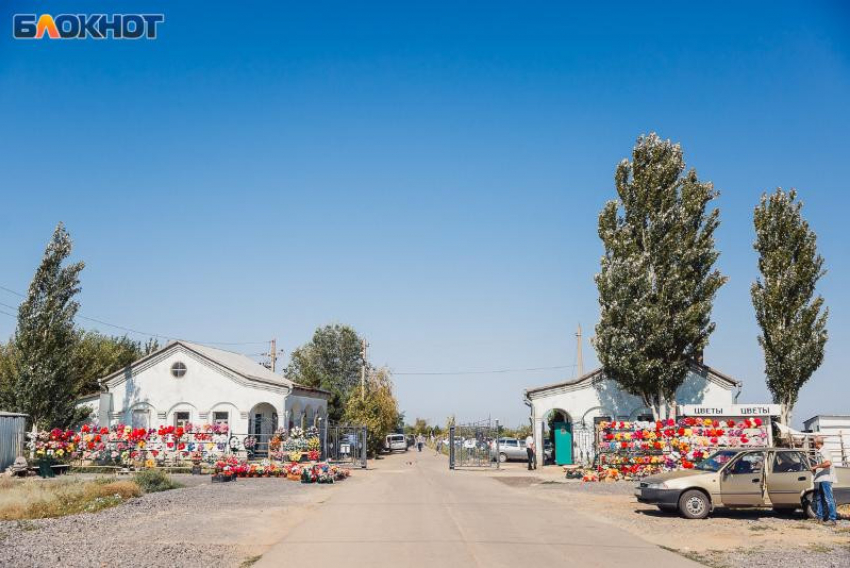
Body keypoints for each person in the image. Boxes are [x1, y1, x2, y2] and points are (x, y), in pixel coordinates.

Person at [811, 436, 837, 526]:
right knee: (820, 498)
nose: (813, 444)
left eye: (814, 442)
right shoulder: (820, 452)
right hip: (822, 478)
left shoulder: (824, 451)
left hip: (826, 478)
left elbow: (828, 463)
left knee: (828, 499)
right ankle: (819, 517)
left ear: (817, 443)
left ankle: (832, 519)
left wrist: (817, 466)